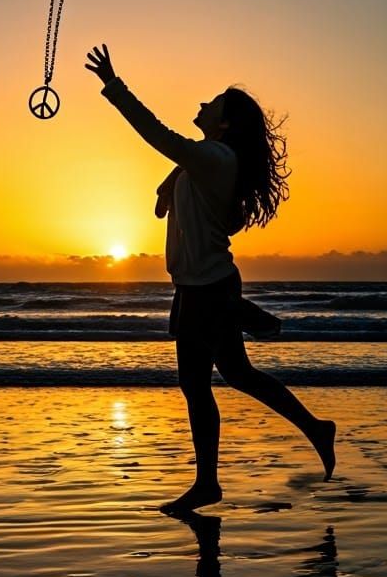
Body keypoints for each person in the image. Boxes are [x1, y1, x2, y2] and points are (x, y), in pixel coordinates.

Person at [85, 43, 336, 514]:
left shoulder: (216, 158)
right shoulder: (209, 160)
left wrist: (113, 85)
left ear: (224, 124)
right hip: (196, 287)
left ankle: (208, 483)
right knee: (231, 375)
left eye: (212, 103)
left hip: (207, 286)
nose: (201, 105)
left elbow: (162, 138)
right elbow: (182, 164)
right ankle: (312, 428)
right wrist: (165, 192)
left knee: (200, 384)